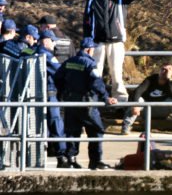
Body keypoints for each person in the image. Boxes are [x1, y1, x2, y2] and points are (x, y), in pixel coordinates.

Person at [55, 37, 117, 170]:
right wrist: (106, 97)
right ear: (89, 49)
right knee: (96, 130)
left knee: (72, 131)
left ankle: (71, 159)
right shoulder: (89, 64)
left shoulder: (69, 62)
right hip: (87, 103)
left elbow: (58, 77)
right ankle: (95, 161)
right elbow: (97, 83)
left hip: (70, 103)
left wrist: (61, 93)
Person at [83, 0, 142, 102]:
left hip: (116, 42)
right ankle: (94, 99)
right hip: (97, 42)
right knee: (95, 72)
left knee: (116, 74)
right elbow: (86, 21)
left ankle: (120, 101)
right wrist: (87, 42)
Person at [121, 64, 172, 135]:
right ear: (159, 71)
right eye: (163, 69)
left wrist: (169, 79)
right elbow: (138, 91)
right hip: (146, 110)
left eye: (168, 70)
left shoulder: (171, 84)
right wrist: (135, 105)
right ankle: (126, 126)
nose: (165, 71)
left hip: (161, 110)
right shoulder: (150, 79)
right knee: (139, 100)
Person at [36, 29, 67, 168]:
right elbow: (59, 72)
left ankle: (40, 155)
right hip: (49, 94)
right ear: (46, 41)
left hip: (35, 95)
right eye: (53, 41)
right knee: (56, 123)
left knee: (40, 125)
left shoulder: (32, 51)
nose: (54, 44)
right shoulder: (46, 55)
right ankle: (62, 156)